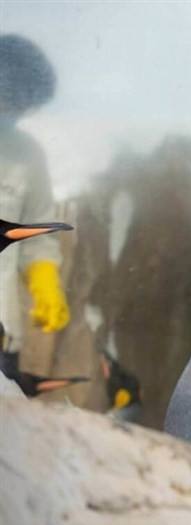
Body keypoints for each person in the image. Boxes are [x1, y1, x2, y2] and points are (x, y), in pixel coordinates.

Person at [0, 34, 70, 357]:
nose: (12, 112)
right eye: (8, 99)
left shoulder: (27, 155)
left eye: (21, 106)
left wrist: (45, 281)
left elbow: (36, 233)